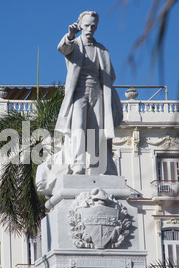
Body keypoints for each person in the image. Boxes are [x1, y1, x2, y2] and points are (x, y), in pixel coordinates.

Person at [55, 11, 123, 175]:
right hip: (78, 92)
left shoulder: (102, 50)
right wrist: (70, 36)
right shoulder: (74, 44)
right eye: (86, 25)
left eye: (93, 26)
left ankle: (97, 163)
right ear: (79, 25)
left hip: (98, 92)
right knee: (78, 127)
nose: (90, 29)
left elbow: (110, 75)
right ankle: (78, 162)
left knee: (96, 129)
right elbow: (62, 48)